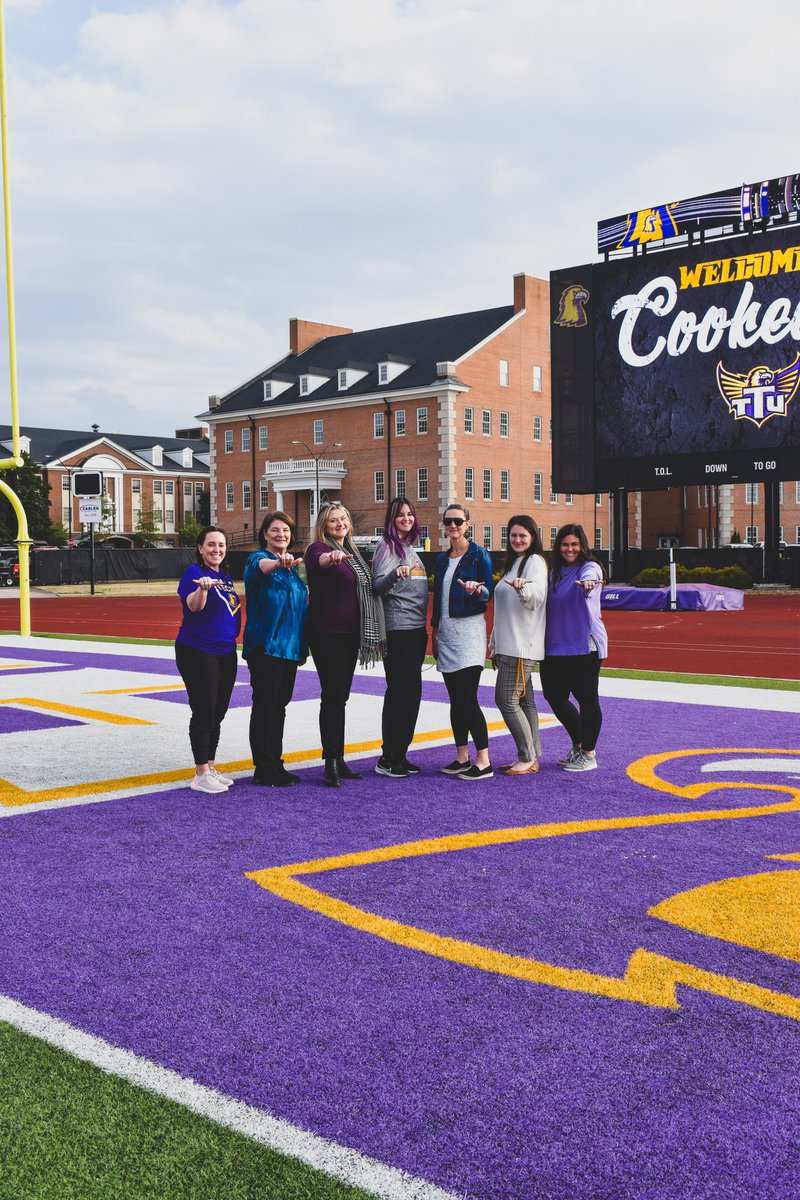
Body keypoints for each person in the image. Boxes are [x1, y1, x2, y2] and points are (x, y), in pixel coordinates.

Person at [305, 502, 386, 787]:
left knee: (340, 697)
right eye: (332, 520)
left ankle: (338, 758)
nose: (339, 524)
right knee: (333, 697)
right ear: (323, 526)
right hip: (328, 634)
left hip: (351, 634)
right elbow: (319, 563)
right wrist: (332, 558)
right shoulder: (318, 548)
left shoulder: (354, 553)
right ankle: (330, 762)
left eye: (343, 519)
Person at [243, 511, 308, 788]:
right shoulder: (258, 558)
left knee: (279, 707)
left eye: (285, 531)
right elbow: (263, 568)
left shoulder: (294, 570)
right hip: (266, 646)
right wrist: (277, 563)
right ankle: (263, 766)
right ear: (265, 534)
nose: (281, 535)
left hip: (289, 648)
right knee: (265, 706)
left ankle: (274, 761)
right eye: (275, 530)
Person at [175, 526, 242, 794]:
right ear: (200, 549)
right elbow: (193, 606)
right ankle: (200, 772)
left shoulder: (224, 576)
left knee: (218, 711)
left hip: (225, 650)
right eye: (211, 544)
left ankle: (210, 766)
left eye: (221, 545)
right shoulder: (195, 574)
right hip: (198, 650)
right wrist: (202, 590)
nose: (217, 549)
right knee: (204, 710)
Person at [431, 504, 494, 780]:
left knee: (468, 698)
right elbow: (439, 599)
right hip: (446, 634)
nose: (453, 525)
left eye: (458, 520)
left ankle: (484, 760)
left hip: (469, 633)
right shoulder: (443, 559)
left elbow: (487, 593)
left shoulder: (479, 555)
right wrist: (434, 631)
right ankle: (461, 756)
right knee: (455, 700)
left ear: (468, 523)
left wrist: (477, 589)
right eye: (448, 521)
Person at [539, 523, 608, 773]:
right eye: (565, 545)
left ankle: (589, 753)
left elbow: (592, 578)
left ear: (582, 546)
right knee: (554, 696)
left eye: (575, 545)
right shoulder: (553, 572)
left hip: (584, 646)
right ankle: (579, 745)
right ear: (559, 547)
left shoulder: (589, 568)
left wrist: (589, 584)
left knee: (587, 699)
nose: (570, 549)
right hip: (554, 646)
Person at [371, 497, 429, 778]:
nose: (406, 518)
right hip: (398, 630)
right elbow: (377, 585)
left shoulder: (410, 548)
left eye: (409, 514)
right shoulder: (387, 547)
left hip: (416, 630)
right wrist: (394, 575)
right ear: (391, 520)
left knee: (410, 696)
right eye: (400, 515)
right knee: (401, 694)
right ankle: (388, 756)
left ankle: (400, 754)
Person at [489, 516, 547, 775]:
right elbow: (503, 610)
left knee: (506, 700)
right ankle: (532, 755)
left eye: (523, 535)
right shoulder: (513, 564)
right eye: (513, 535)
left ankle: (527, 756)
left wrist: (524, 589)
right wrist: (494, 645)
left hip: (521, 646)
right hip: (509, 644)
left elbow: (536, 599)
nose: (517, 540)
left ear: (533, 537)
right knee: (525, 702)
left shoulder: (535, 562)